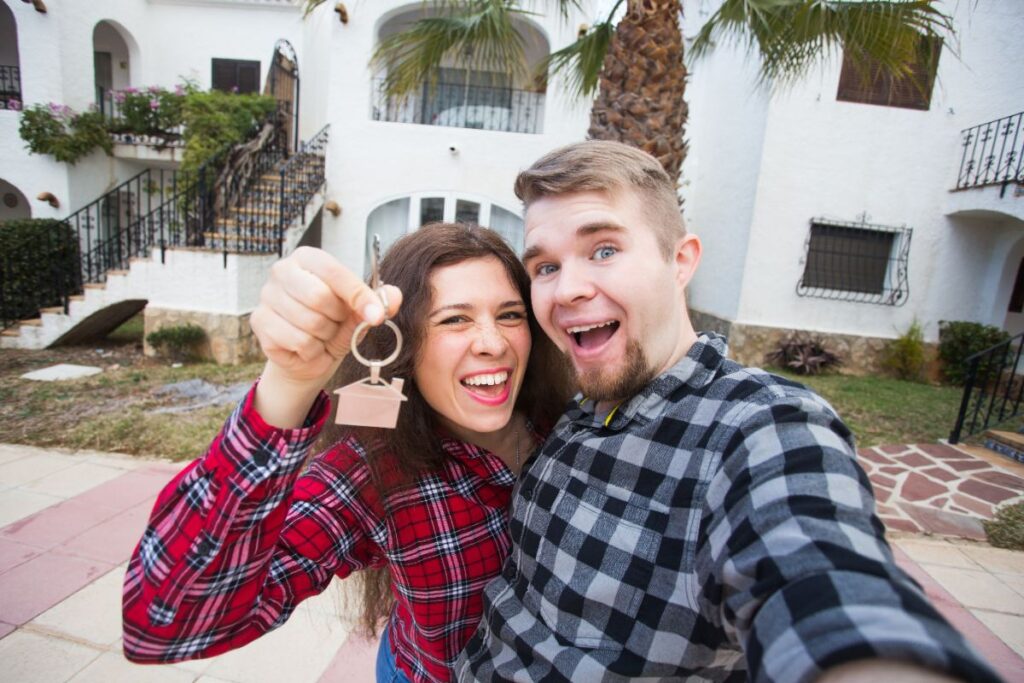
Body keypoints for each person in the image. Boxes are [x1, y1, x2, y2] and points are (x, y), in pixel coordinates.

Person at [454, 141, 1003, 683]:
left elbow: (821, 584)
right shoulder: (576, 411)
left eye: (604, 250)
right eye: (545, 266)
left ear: (681, 261)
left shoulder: (761, 428)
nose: (567, 289)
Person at [121, 223, 573, 683]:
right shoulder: (370, 470)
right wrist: (289, 383)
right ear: (403, 343)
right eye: (454, 319)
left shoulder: (572, 421)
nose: (493, 343)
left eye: (510, 315)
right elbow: (168, 622)